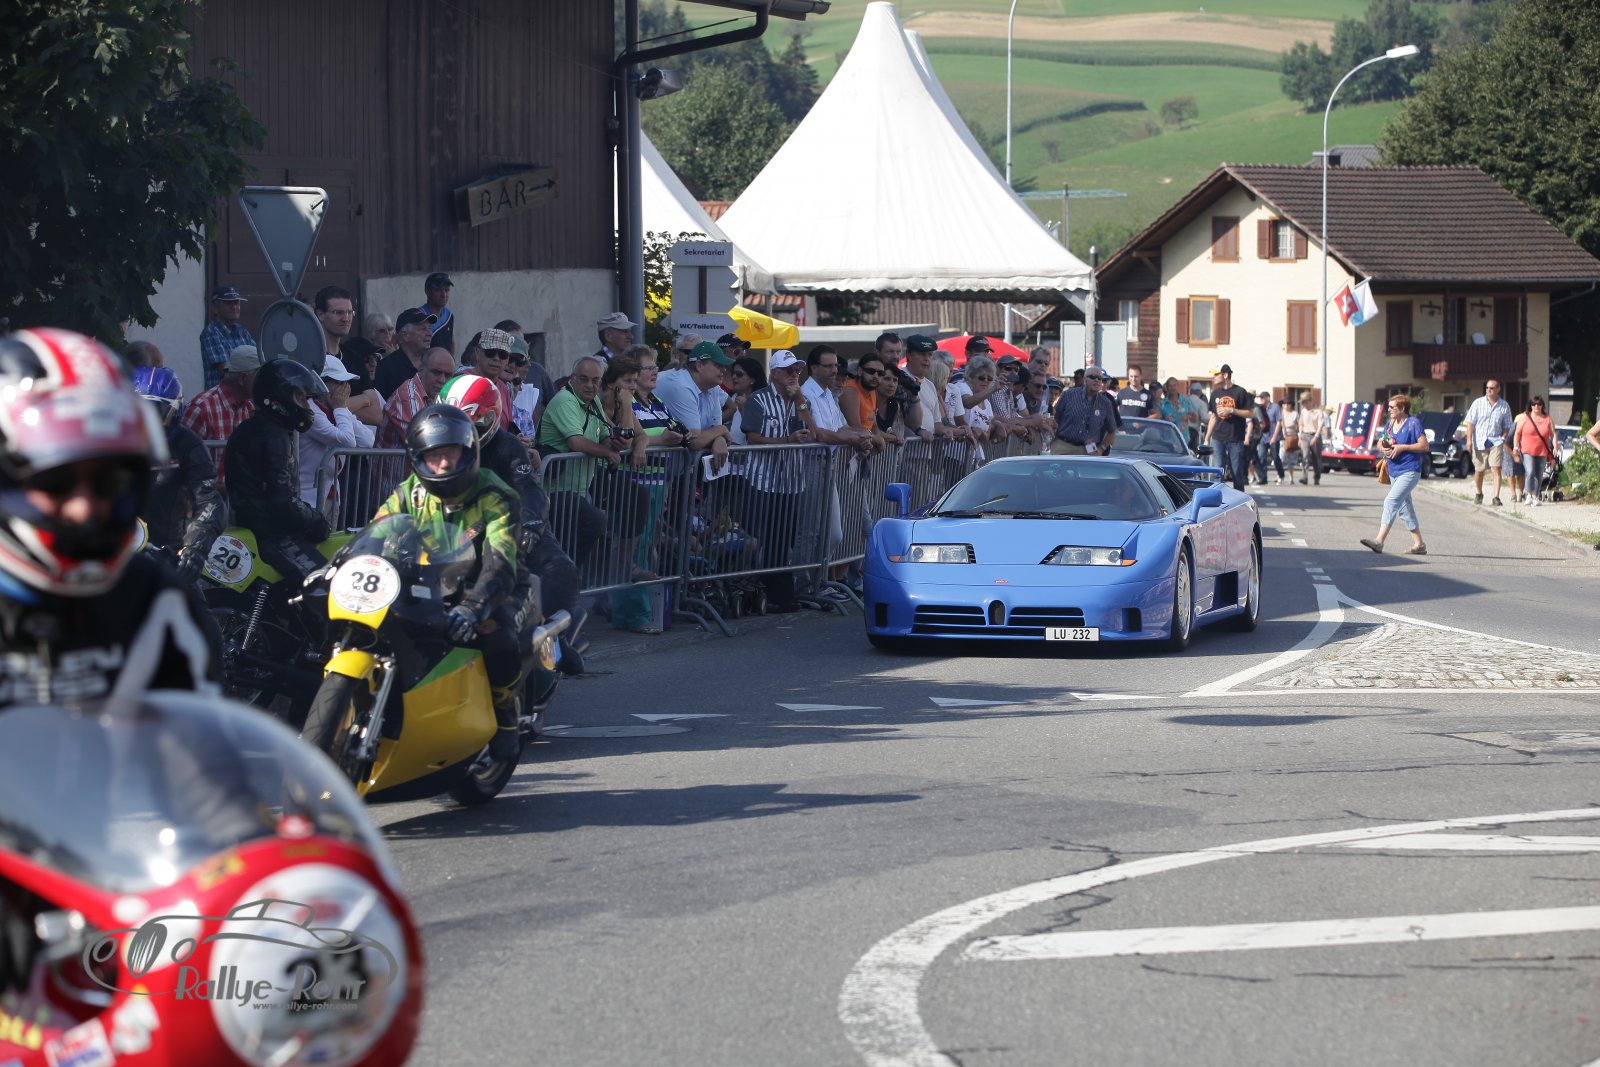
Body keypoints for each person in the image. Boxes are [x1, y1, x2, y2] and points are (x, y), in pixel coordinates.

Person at [0, 327, 221, 706]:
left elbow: (194, 730)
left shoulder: (158, 602)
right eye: (56, 480)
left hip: (159, 550)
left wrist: (190, 551)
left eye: (110, 479)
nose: (84, 507)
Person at [373, 404, 522, 757]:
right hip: (426, 583)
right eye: (433, 455)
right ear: (418, 458)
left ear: (468, 451)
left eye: (450, 453)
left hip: (483, 583)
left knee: (497, 635)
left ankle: (505, 713)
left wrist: (475, 606)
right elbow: (376, 532)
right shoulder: (409, 492)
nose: (442, 464)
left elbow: (500, 561)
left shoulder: (496, 495)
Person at [439, 373, 584, 671]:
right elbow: (407, 494)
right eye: (451, 423)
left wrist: (529, 525)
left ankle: (552, 638)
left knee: (561, 568)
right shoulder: (433, 447)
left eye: (470, 425)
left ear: (490, 419)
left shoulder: (508, 447)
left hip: (506, 526)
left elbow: (529, 489)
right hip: (454, 528)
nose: (460, 434)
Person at [224, 359, 334, 584]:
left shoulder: (253, 428)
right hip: (272, 535)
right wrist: (316, 520)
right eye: (301, 398)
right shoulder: (273, 436)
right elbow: (281, 501)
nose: (306, 406)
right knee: (327, 585)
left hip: (255, 525)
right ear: (282, 398)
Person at [132, 366, 225, 584]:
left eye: (155, 412)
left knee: (193, 606)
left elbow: (209, 502)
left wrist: (194, 549)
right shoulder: (107, 440)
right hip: (111, 549)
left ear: (174, 412)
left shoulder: (188, 445)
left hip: (163, 552)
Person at [299, 355, 372, 520]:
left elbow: (367, 441)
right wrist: (340, 408)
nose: (345, 388)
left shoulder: (337, 409)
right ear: (321, 383)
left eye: (346, 382)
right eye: (339, 382)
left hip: (331, 495)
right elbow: (347, 441)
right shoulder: (310, 411)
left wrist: (341, 409)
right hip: (308, 500)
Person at [181, 343, 262, 488]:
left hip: (238, 498)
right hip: (206, 498)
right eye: (259, 376)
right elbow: (182, 464)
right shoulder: (202, 408)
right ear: (243, 379)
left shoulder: (249, 408)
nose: (262, 382)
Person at [1360, 394, 1427, 555]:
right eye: (1388, 407)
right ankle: (1419, 544)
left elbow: (1424, 446)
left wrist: (1403, 447)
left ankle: (1379, 541)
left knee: (1391, 501)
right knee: (1404, 508)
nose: (1388, 410)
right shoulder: (1390, 424)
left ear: (1402, 408)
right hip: (1393, 471)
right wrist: (1382, 448)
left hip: (1410, 470)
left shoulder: (1413, 423)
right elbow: (1380, 441)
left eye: (1392, 407)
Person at [655, 341, 733, 466]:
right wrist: (722, 430)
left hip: (675, 466)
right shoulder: (681, 386)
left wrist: (720, 438)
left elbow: (715, 429)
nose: (724, 369)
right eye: (718, 365)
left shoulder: (713, 387)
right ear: (699, 365)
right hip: (654, 465)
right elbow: (695, 441)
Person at [379, 348, 455, 449]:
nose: (442, 380)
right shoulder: (408, 397)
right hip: (405, 459)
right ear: (421, 370)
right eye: (436, 373)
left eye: (448, 375)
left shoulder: (444, 395)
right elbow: (426, 442)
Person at [1463, 379, 1514, 506]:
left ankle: (1496, 497)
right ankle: (1478, 492)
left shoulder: (1504, 406)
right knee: (1479, 470)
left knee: (1496, 468)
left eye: (1491, 388)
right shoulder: (1478, 403)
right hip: (1479, 441)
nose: (1488, 390)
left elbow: (1508, 424)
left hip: (1496, 441)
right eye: (1487, 388)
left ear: (1498, 389)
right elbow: (1470, 422)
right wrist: (1469, 440)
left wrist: (1504, 436)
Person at [1204, 364, 1253, 491]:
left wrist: (1231, 410)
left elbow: (1250, 413)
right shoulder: (1215, 394)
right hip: (1218, 437)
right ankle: (1217, 497)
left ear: (1225, 375)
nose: (1214, 377)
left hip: (1235, 437)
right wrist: (1207, 438)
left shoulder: (1240, 392)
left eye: (1216, 374)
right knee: (1217, 471)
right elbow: (1213, 417)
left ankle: (1239, 499)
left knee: (1236, 472)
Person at [1051, 367, 1118, 455]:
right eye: (1093, 377)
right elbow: (1055, 419)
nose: (1097, 380)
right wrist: (1051, 440)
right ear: (1085, 379)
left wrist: (1101, 448)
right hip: (1064, 446)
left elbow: (1112, 431)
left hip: (1089, 450)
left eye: (1100, 378)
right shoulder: (1069, 395)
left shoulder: (1105, 403)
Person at [199, 285, 253, 390]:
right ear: (215, 309)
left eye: (236, 302)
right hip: (220, 397)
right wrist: (250, 370)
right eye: (228, 303)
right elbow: (226, 372)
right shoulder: (210, 332)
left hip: (243, 395)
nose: (234, 307)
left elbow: (258, 360)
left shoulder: (242, 331)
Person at [374, 307, 437, 397]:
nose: (429, 333)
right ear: (405, 335)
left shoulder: (432, 364)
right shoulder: (386, 368)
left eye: (429, 328)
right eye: (422, 329)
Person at [1512, 396, 1556, 506]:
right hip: (1527, 450)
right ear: (1530, 406)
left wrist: (1555, 446)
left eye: (1539, 404)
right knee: (1530, 471)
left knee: (1539, 474)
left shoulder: (1547, 419)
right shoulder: (1525, 417)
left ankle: (1535, 496)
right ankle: (1529, 495)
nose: (1536, 406)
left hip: (1542, 451)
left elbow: (1553, 434)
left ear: (1542, 406)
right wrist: (1515, 447)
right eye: (1534, 404)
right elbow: (1517, 433)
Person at [418, 272, 455, 355]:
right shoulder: (419, 316)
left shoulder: (448, 315)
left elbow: (451, 343)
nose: (444, 295)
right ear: (427, 291)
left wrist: (450, 360)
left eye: (447, 290)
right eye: (438, 290)